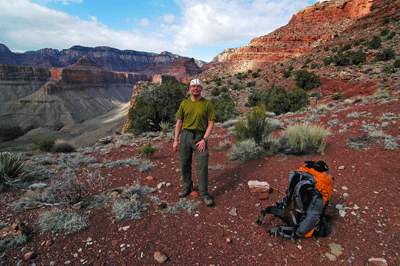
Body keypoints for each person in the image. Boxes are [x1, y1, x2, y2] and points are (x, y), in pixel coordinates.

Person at [173, 79, 215, 206]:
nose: (195, 88)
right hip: (185, 136)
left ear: (202, 89)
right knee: (185, 163)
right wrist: (175, 140)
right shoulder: (184, 104)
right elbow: (179, 122)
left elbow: (211, 123)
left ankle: (204, 193)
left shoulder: (207, 104)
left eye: (198, 86)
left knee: (202, 165)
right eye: (193, 86)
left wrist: (204, 139)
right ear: (189, 89)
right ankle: (187, 187)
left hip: (200, 137)